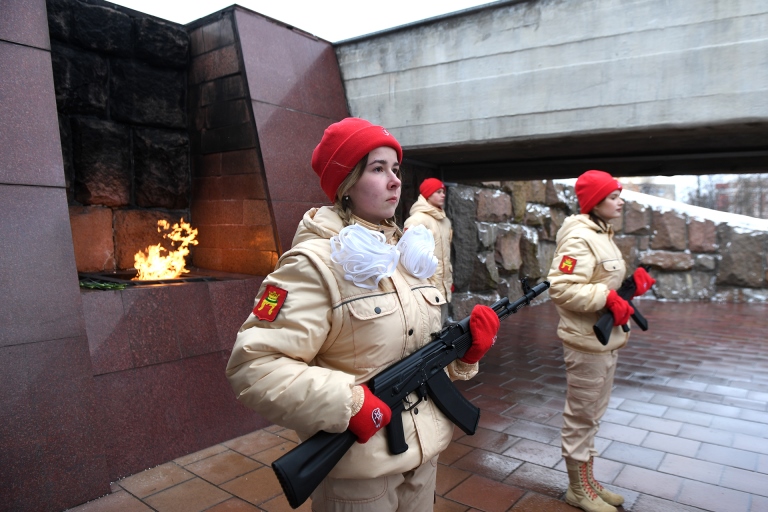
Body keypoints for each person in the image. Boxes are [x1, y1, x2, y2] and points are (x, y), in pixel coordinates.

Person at [226, 117, 500, 511]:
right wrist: (349, 403)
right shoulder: (314, 264)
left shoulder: (407, 257)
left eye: (395, 169)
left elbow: (418, 354)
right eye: (377, 169)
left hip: (425, 459)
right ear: (346, 184)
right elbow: (253, 367)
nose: (394, 181)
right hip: (361, 476)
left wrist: (463, 357)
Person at [547, 170, 655, 512]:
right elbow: (561, 288)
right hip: (585, 343)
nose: (620, 200)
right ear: (595, 202)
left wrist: (628, 288)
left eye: (619, 194)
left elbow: (598, 279)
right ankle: (578, 490)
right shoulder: (579, 237)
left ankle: (590, 482)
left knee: (592, 415)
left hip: (606, 342)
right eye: (613, 196)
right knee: (581, 416)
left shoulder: (601, 234)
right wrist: (607, 299)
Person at [404, 178, 453, 323]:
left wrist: (448, 281)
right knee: (427, 326)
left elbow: (446, 255)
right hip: (426, 283)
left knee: (441, 324)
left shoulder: (445, 221)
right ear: (427, 194)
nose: (443, 195)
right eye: (438, 192)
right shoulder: (417, 220)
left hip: (443, 283)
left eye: (443, 191)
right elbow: (407, 256)